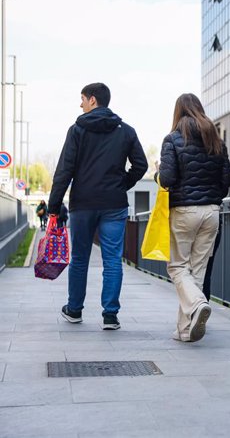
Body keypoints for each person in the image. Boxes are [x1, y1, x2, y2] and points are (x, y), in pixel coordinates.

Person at [48, 82, 147, 330]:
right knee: (112, 259)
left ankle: (74, 310)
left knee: (80, 258)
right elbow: (141, 166)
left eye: (82, 98)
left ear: (92, 100)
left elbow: (64, 171)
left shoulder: (77, 130)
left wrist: (53, 206)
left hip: (83, 203)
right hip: (114, 204)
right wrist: (122, 184)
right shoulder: (126, 131)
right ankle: (110, 315)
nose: (80, 104)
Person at [156, 93, 230, 342]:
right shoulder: (216, 140)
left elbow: (166, 180)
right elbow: (225, 184)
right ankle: (185, 330)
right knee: (196, 272)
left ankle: (198, 303)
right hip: (211, 212)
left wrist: (157, 173)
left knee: (177, 267)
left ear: (178, 112)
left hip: (184, 211)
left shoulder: (172, 140)